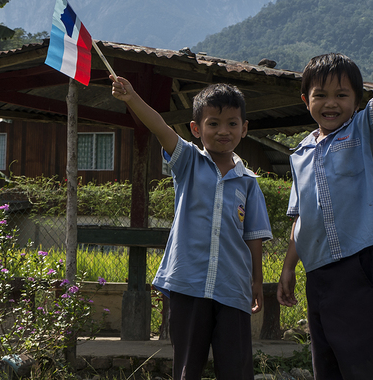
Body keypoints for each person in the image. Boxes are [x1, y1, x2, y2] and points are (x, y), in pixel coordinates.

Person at [277, 44, 373, 380]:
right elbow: (300, 216)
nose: (331, 103)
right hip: (317, 272)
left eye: (342, 95)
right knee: (327, 361)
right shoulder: (300, 155)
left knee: (365, 362)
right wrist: (288, 267)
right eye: (320, 95)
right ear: (306, 100)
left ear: (356, 102)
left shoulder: (360, 131)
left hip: (356, 264)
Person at [110, 76, 272, 380]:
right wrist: (131, 98)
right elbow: (159, 127)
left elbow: (253, 237)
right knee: (187, 368)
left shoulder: (249, 183)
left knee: (236, 368)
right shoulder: (188, 163)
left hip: (233, 288)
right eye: (214, 124)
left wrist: (257, 282)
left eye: (232, 124)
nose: (223, 131)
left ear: (244, 128)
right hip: (188, 285)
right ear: (196, 129)